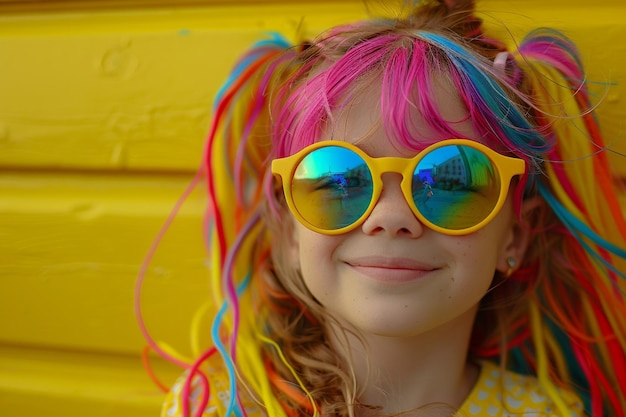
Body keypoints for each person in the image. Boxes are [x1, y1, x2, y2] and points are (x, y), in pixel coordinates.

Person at [136, 0, 626, 416]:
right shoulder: (221, 407)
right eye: (338, 179)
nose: (390, 216)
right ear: (288, 232)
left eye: (452, 179)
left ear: (515, 236)